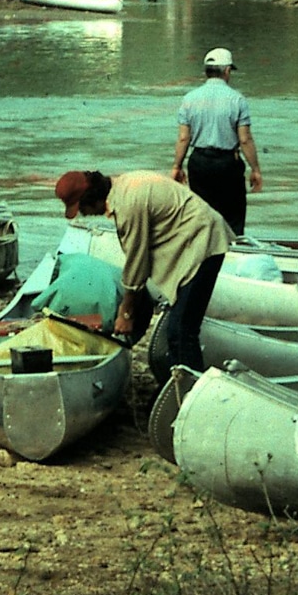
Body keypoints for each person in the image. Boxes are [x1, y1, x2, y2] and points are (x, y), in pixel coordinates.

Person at [57, 169, 229, 371]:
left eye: (82, 208)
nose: (85, 214)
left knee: (181, 331)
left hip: (203, 241)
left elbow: (137, 261)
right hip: (192, 241)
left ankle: (192, 392)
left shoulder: (128, 206)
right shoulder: (122, 185)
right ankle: (177, 381)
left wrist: (126, 312)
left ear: (91, 198)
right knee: (178, 329)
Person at [170, 47, 262, 235]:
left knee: (200, 216)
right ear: (227, 71)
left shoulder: (189, 99)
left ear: (206, 71)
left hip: (199, 163)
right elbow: (245, 140)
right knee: (232, 218)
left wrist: (176, 167)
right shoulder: (237, 100)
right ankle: (232, 252)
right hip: (227, 164)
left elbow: (183, 137)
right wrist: (256, 170)